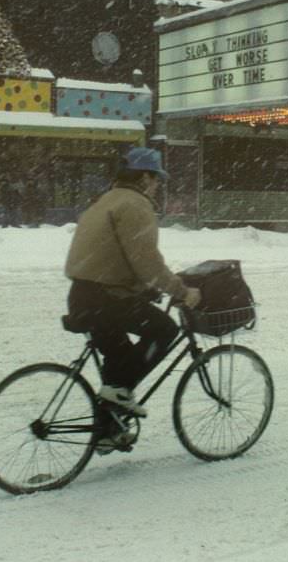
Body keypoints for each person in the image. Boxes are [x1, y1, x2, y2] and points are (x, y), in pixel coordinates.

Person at [64, 147, 201, 421]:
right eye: (156, 178)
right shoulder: (136, 205)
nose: (157, 185)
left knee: (120, 363)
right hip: (106, 300)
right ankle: (120, 396)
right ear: (144, 177)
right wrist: (181, 291)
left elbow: (114, 256)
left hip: (83, 295)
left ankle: (108, 428)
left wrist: (142, 288)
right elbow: (146, 261)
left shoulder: (106, 200)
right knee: (164, 329)